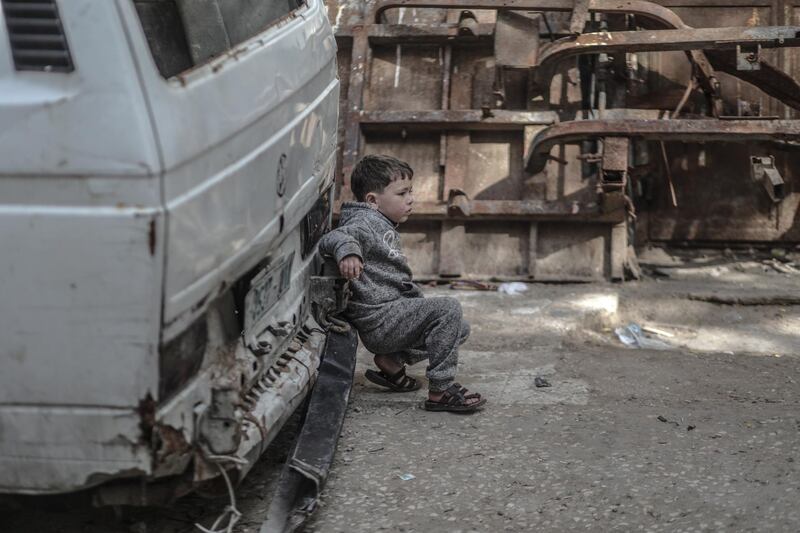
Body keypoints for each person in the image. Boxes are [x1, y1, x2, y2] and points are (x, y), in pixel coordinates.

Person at [319, 155, 486, 412]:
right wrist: (349, 252)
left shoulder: (381, 222)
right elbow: (338, 236)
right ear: (373, 201)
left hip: (392, 314)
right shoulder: (364, 222)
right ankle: (441, 391)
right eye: (402, 193)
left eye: (411, 191)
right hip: (381, 319)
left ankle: (392, 361)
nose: (411, 199)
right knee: (448, 309)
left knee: (459, 328)